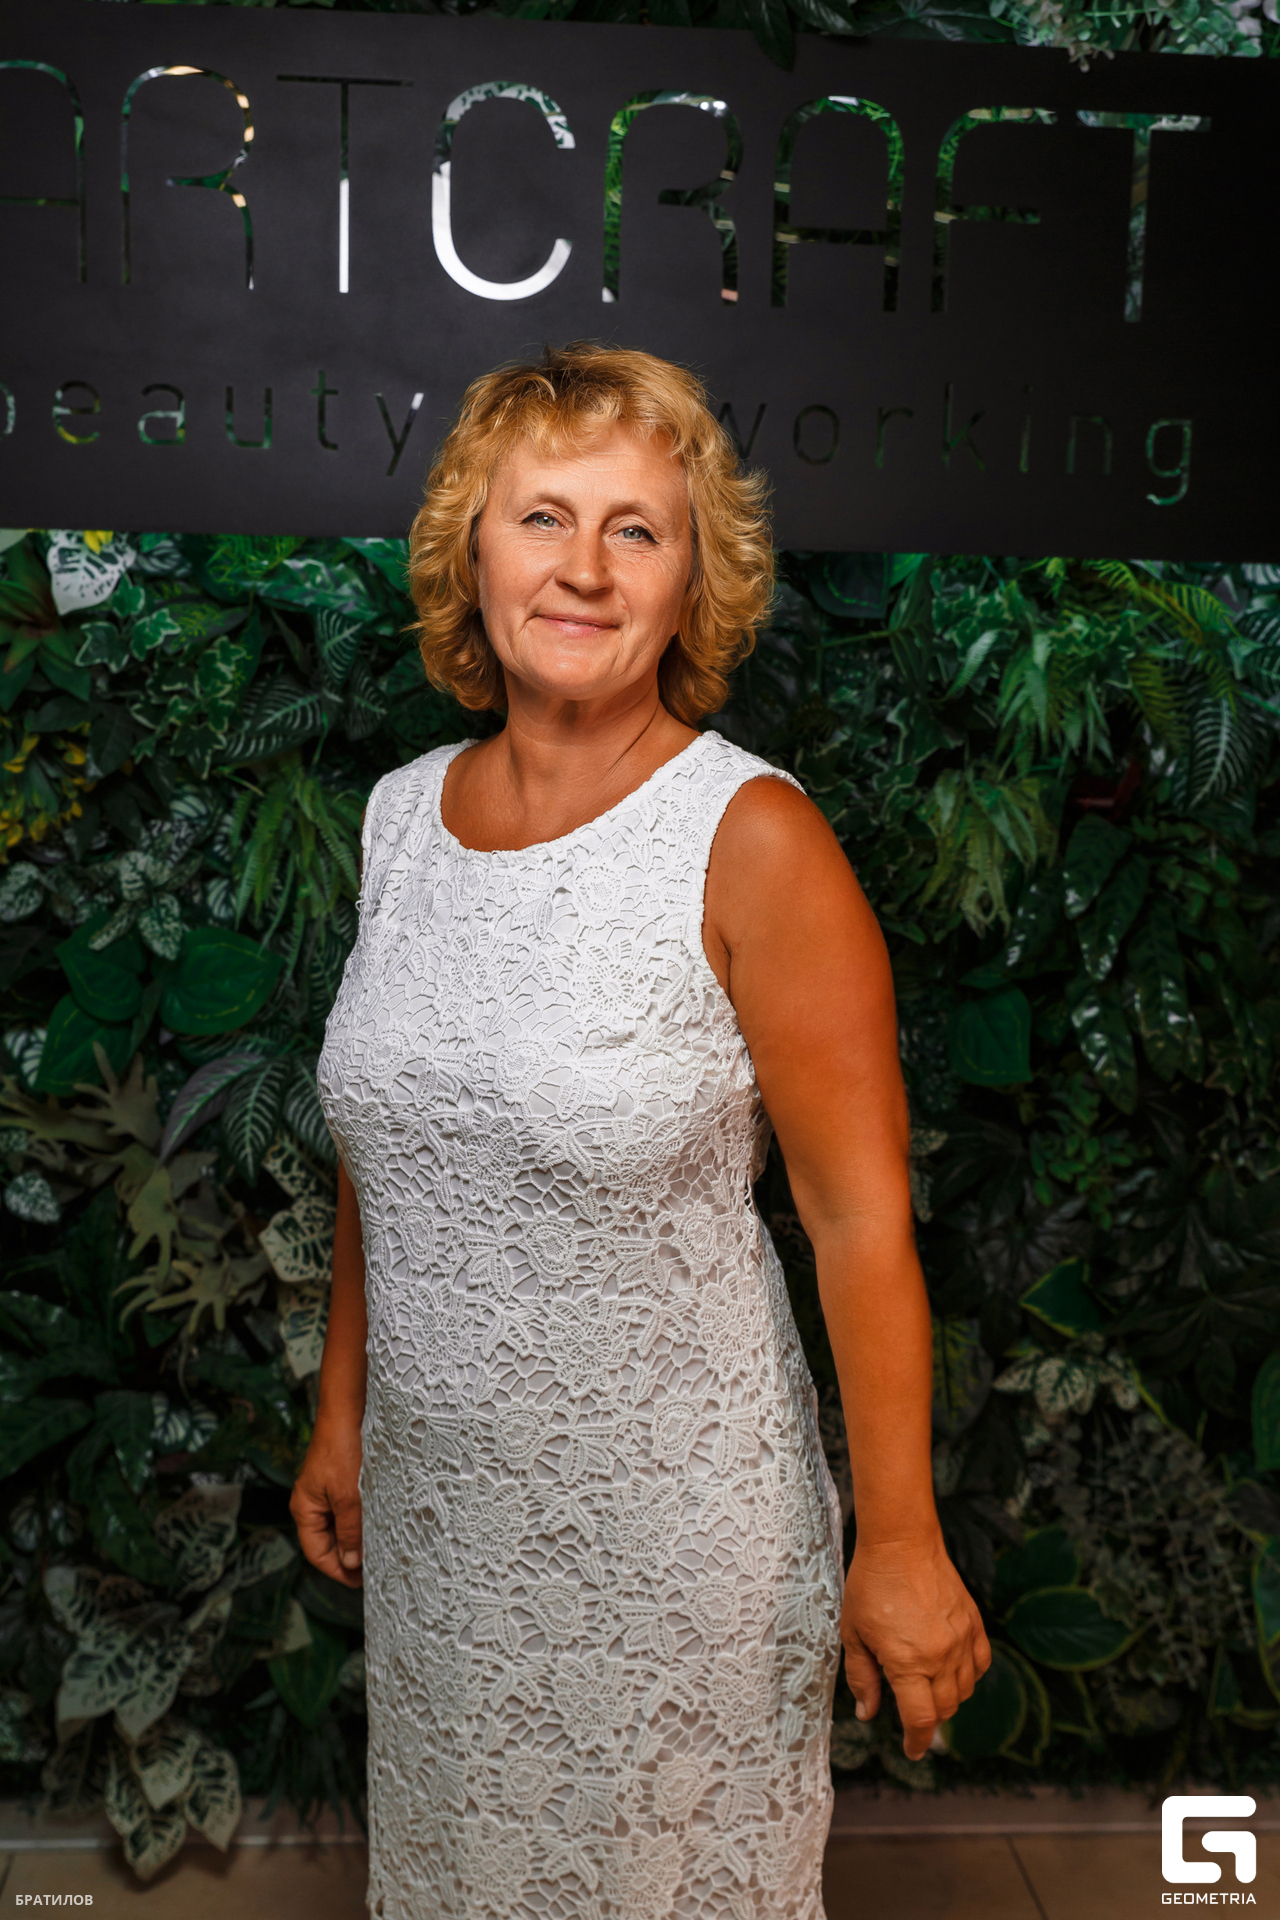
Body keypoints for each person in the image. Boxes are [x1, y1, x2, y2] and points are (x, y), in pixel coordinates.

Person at [294, 342, 989, 1920]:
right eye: (543, 517)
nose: (585, 570)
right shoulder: (400, 818)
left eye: (637, 529)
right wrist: (341, 1410)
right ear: (473, 552)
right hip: (447, 1531)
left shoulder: (755, 838)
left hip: (679, 1547)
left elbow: (859, 1222)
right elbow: (387, 1148)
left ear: (694, 581)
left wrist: (901, 1541)